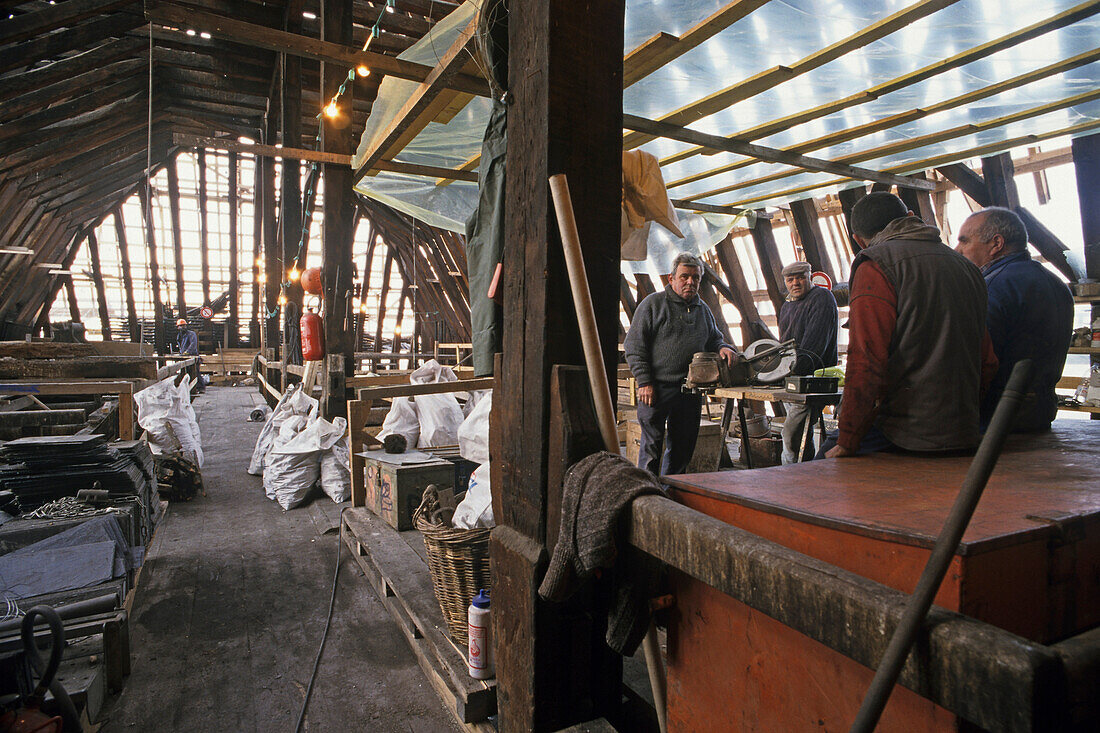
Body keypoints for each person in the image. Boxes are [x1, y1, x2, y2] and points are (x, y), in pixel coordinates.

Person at [825, 192, 997, 458]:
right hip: (964, 431)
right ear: (909, 218)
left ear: (858, 241)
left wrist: (847, 440)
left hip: (903, 433)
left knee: (816, 467)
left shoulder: (875, 265)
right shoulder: (968, 268)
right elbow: (988, 362)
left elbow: (866, 360)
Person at [955, 207, 1073, 431]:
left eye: (964, 241)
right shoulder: (1056, 283)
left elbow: (978, 361)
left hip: (995, 421)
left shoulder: (991, 287)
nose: (957, 250)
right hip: (1039, 415)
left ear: (996, 244)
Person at [624, 253, 737, 475]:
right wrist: (644, 381)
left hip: (690, 391)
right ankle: (647, 495)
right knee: (652, 448)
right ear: (671, 278)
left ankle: (671, 493)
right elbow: (634, 346)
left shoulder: (702, 309)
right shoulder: (653, 305)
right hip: (656, 388)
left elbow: (714, 338)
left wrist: (723, 347)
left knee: (683, 448)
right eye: (684, 276)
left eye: (695, 278)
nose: (690, 282)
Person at [777, 261, 838, 463]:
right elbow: (783, 344)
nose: (795, 283)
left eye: (801, 277)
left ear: (810, 277)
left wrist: (787, 370)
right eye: (790, 279)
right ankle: (806, 473)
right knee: (804, 433)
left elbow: (814, 347)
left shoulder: (822, 298)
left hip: (815, 378)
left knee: (791, 433)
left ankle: (788, 474)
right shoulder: (787, 305)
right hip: (791, 377)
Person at [176, 318, 203, 393]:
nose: (182, 327)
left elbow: (193, 344)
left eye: (183, 326)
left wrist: (187, 352)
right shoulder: (179, 336)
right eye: (180, 326)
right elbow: (181, 345)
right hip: (184, 356)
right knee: (185, 372)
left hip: (192, 355)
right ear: (178, 327)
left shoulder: (191, 334)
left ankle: (200, 387)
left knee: (195, 372)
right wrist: (181, 353)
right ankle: (189, 388)